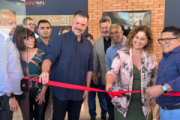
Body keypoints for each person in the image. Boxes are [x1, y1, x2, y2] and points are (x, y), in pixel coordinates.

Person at [39, 11, 93, 120]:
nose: (79, 27)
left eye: (83, 25)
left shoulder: (88, 44)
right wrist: (44, 71)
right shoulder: (59, 40)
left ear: (86, 26)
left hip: (78, 93)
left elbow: (89, 68)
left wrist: (87, 88)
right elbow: (48, 59)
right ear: (72, 22)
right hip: (61, 93)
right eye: (77, 23)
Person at [106, 25, 157, 120]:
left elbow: (154, 79)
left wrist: (154, 99)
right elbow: (112, 71)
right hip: (122, 105)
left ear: (148, 41)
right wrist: (109, 82)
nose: (138, 41)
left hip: (144, 105)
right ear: (132, 37)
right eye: (136, 37)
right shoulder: (121, 54)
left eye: (142, 39)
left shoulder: (151, 57)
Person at [146, 26, 180, 120]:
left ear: (179, 40)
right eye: (161, 40)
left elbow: (163, 87)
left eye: (168, 40)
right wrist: (161, 109)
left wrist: (162, 88)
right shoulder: (167, 56)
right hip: (166, 109)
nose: (163, 43)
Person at [16, 27, 48, 120]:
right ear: (20, 40)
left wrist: (43, 92)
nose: (31, 40)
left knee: (39, 117)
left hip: (40, 90)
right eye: (27, 38)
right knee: (27, 117)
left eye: (32, 37)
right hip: (24, 91)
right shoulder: (17, 54)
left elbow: (47, 74)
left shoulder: (40, 53)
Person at [0, 9, 24, 120]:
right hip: (5, 94)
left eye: (15, 22)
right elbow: (1, 72)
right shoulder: (2, 42)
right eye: (11, 23)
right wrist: (10, 96)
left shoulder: (8, 40)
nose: (15, 25)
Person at [93, 16, 113, 120]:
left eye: (107, 27)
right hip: (105, 79)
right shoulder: (97, 42)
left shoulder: (121, 39)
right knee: (108, 102)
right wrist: (94, 74)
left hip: (120, 80)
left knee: (120, 104)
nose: (104, 30)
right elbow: (96, 60)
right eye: (102, 28)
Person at [84, 33, 107, 120]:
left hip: (101, 77)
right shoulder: (85, 51)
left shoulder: (100, 48)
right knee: (91, 98)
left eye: (89, 41)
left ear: (93, 40)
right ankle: (92, 115)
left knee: (102, 98)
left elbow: (103, 63)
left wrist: (98, 74)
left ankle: (104, 114)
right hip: (89, 79)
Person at [37, 19, 52, 120]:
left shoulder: (56, 44)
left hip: (54, 82)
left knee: (50, 108)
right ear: (37, 30)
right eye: (42, 28)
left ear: (51, 30)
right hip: (38, 83)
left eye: (47, 28)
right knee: (38, 111)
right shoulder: (33, 44)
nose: (45, 30)